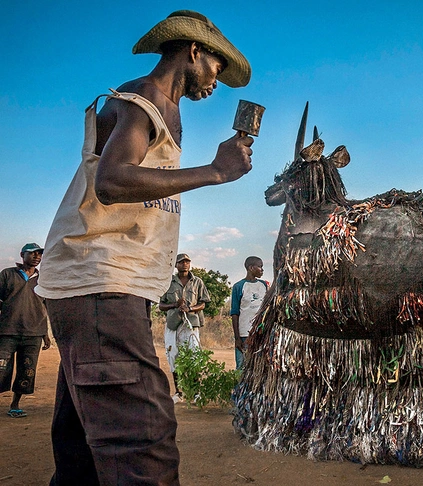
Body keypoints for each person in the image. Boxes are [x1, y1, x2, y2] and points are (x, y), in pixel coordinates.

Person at [35, 10, 253, 485]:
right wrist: (215, 172)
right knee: (142, 440)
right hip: (101, 281)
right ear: (195, 51)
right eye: (217, 68)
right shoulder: (141, 101)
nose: (217, 82)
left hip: (98, 288)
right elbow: (113, 180)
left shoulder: (160, 107)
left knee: (84, 455)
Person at [0, 243, 51, 418]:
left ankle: (15, 405)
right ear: (22, 255)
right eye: (33, 253)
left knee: (27, 370)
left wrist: (46, 335)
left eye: (39, 254)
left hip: (34, 333)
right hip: (7, 330)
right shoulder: (7, 274)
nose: (37, 256)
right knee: (1, 368)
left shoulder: (42, 279)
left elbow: (45, 307)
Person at [159, 253, 210, 402]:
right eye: (181, 262)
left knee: (193, 356)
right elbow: (161, 305)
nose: (185, 264)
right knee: (173, 356)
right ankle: (178, 393)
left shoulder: (197, 282)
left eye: (187, 261)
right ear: (176, 265)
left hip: (191, 324)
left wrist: (191, 309)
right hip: (173, 325)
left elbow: (203, 303)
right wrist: (175, 305)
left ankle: (195, 392)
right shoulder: (168, 282)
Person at [230, 256, 268, 369]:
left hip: (261, 333)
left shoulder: (264, 285)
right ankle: (239, 387)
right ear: (251, 268)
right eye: (260, 267)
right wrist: (237, 338)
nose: (262, 270)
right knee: (242, 367)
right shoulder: (239, 286)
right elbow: (235, 313)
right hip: (244, 334)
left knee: (259, 366)